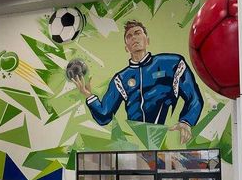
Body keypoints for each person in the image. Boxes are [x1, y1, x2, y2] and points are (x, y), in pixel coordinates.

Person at [72, 19, 203, 144]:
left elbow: (194, 97)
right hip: (137, 144)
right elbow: (104, 116)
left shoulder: (172, 63)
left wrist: (186, 121)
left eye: (138, 33)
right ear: (126, 48)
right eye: (129, 36)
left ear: (147, 40)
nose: (134, 37)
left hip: (167, 139)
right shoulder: (121, 79)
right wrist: (88, 95)